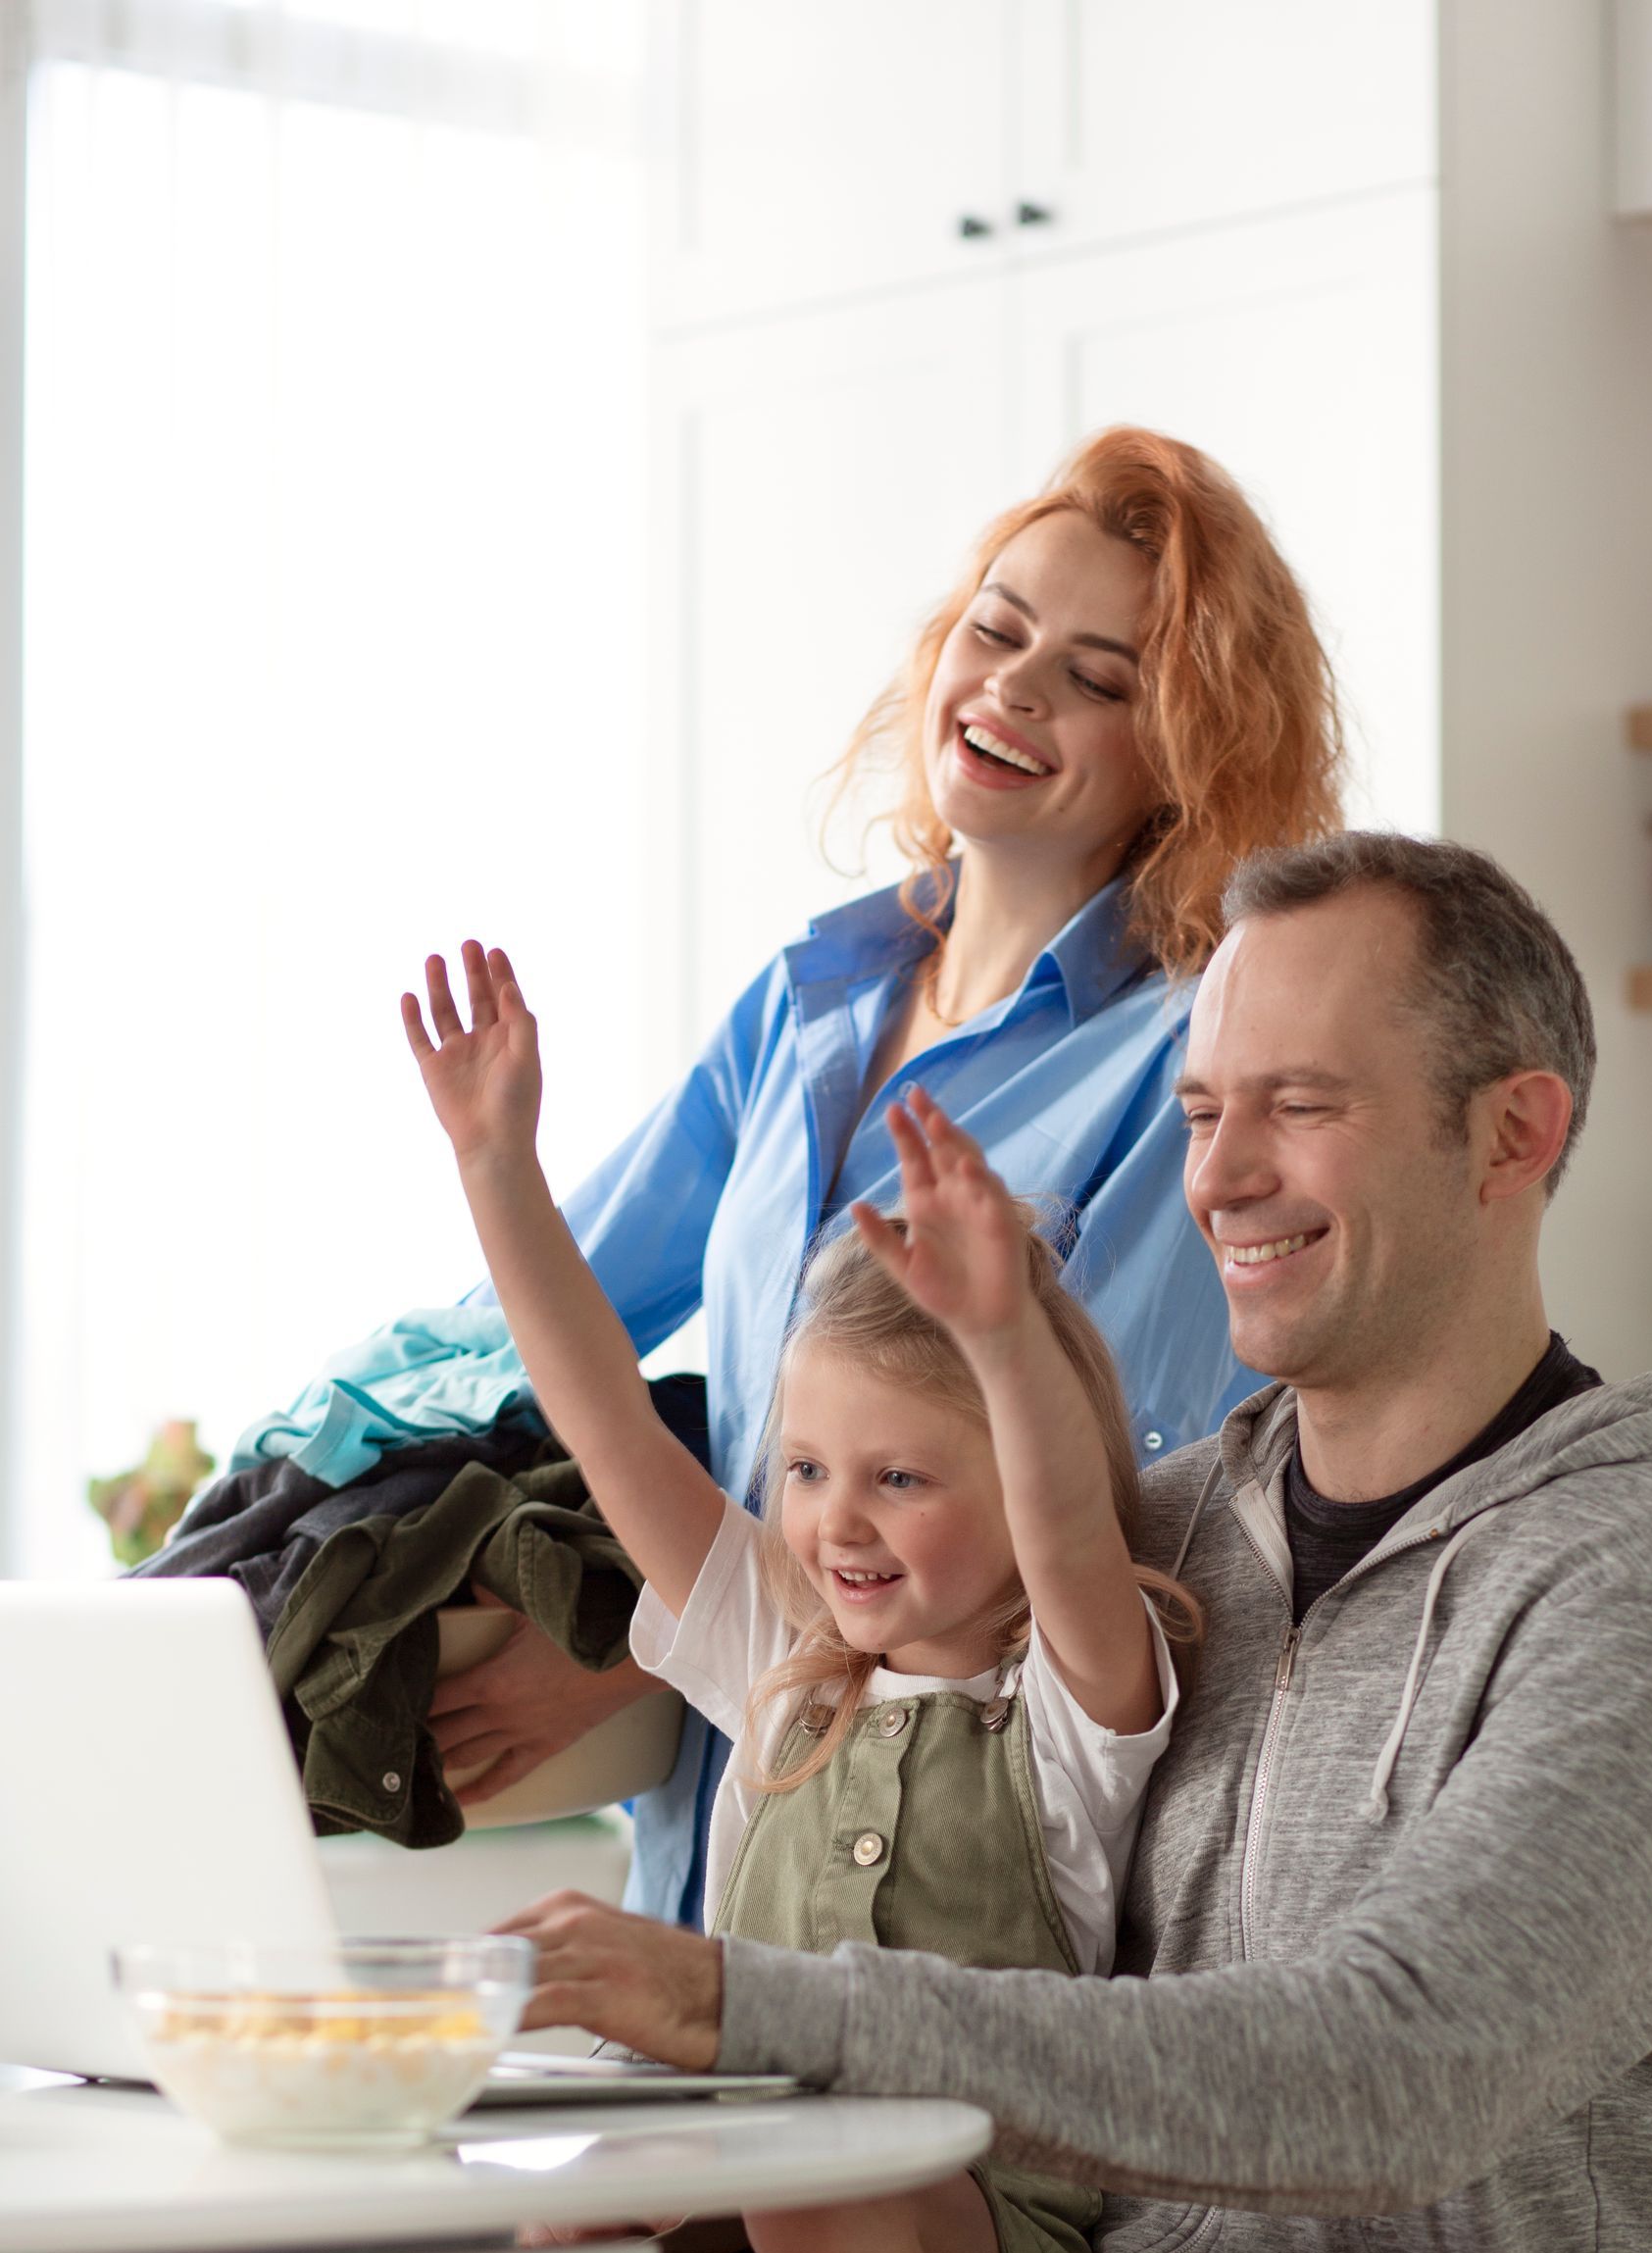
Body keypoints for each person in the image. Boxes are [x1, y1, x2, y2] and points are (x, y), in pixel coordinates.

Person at [489, 829, 1652, 2253]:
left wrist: (772, 2010)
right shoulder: (1176, 1532)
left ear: (1513, 1132)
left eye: (1302, 1107)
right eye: (1205, 1109)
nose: (1222, 1176)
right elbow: (839, 1624)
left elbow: (1393, 2072)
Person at [402, 940, 1198, 2253]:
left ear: (1017, 1479)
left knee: (818, 2175)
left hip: (986, 2223)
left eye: (905, 1480)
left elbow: (1075, 1533)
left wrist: (1002, 1338)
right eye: (813, 1471)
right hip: (763, 2183)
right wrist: (499, 1172)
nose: (840, 1524)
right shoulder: (779, 1656)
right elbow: (604, 1411)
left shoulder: (1069, 1702)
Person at [430, 426, 1341, 1928]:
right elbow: (536, 1334)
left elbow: (1102, 1495)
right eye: (997, 628)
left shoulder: (1183, 1059)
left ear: (1183, 754)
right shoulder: (809, 998)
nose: (1017, 685)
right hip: (722, 1822)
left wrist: (624, 1651)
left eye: (1101, 678)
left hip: (982, 1829)